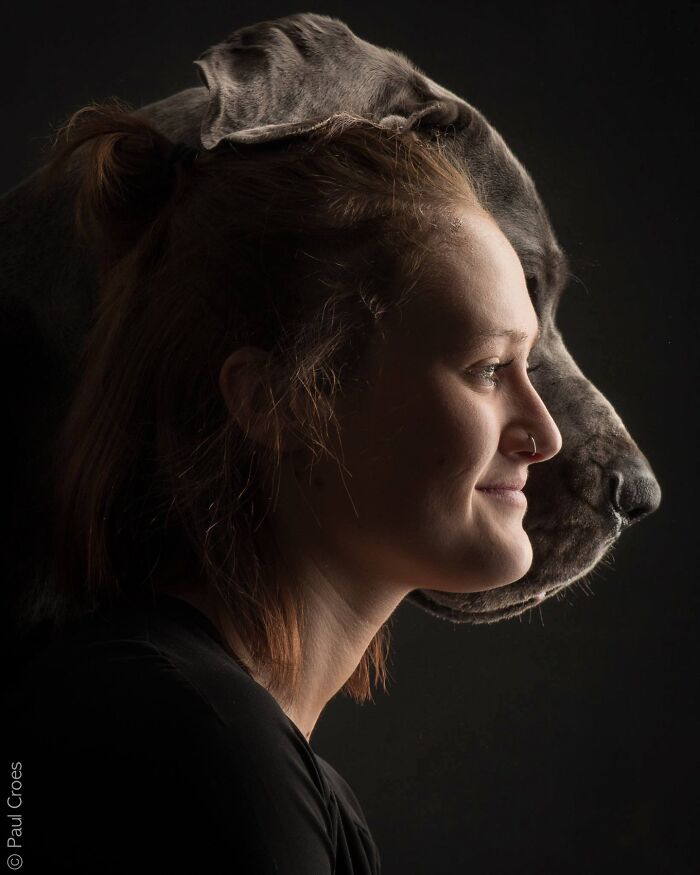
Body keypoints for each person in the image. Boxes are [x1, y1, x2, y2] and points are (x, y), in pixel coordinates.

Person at [5, 97, 561, 873]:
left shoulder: (236, 745)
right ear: (280, 401)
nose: (546, 434)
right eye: (489, 368)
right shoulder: (202, 747)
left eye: (526, 366)